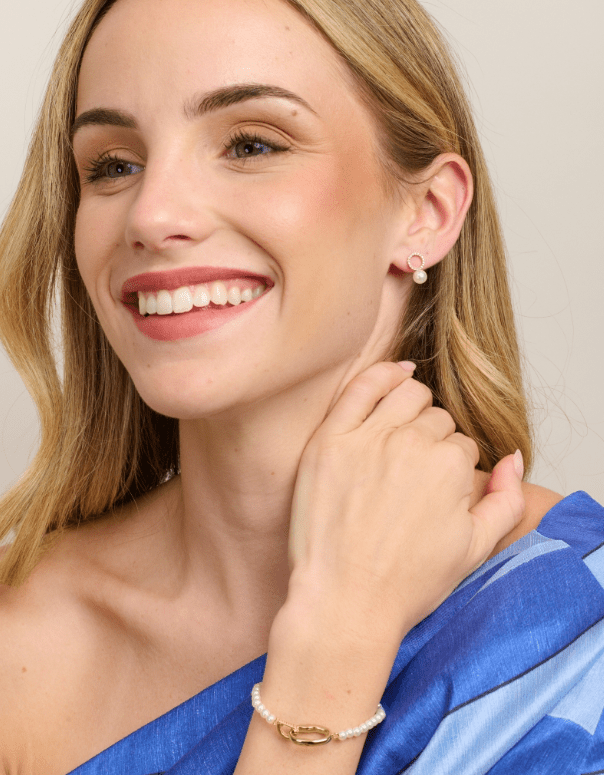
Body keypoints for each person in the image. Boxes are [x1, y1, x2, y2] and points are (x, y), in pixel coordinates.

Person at [0, 0, 602, 773]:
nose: (151, 215)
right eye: (114, 164)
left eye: (251, 144)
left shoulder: (580, 631)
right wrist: (335, 644)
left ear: (427, 211)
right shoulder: (21, 642)